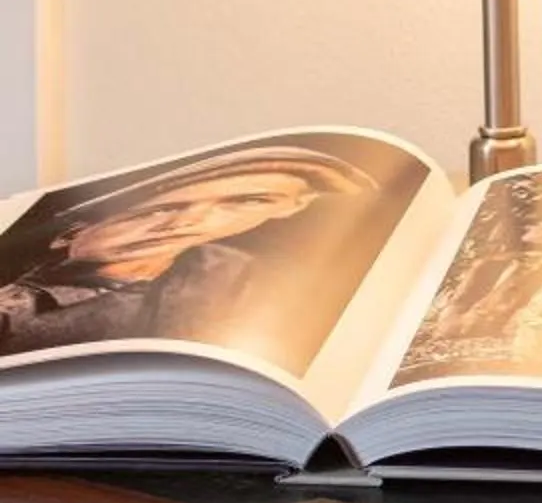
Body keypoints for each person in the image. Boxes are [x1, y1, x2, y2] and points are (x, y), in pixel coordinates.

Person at [0, 144, 378, 357]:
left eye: (245, 201)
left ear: (288, 208)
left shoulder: (236, 280)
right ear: (70, 233)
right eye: (159, 208)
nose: (185, 223)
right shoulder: (27, 272)